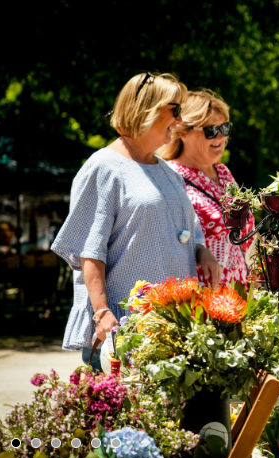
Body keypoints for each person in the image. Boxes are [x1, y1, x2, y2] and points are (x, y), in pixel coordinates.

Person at [51, 73, 221, 371]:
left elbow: (188, 232)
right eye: (175, 110)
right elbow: (89, 251)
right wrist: (102, 312)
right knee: (127, 418)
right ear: (148, 109)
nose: (180, 120)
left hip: (171, 328)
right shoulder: (104, 167)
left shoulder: (169, 172)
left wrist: (201, 251)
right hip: (124, 330)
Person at [158, 90, 254, 286]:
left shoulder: (223, 172)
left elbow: (247, 235)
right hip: (200, 295)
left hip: (239, 293)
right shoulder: (169, 176)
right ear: (183, 132)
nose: (220, 136)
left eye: (224, 128)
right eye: (210, 130)